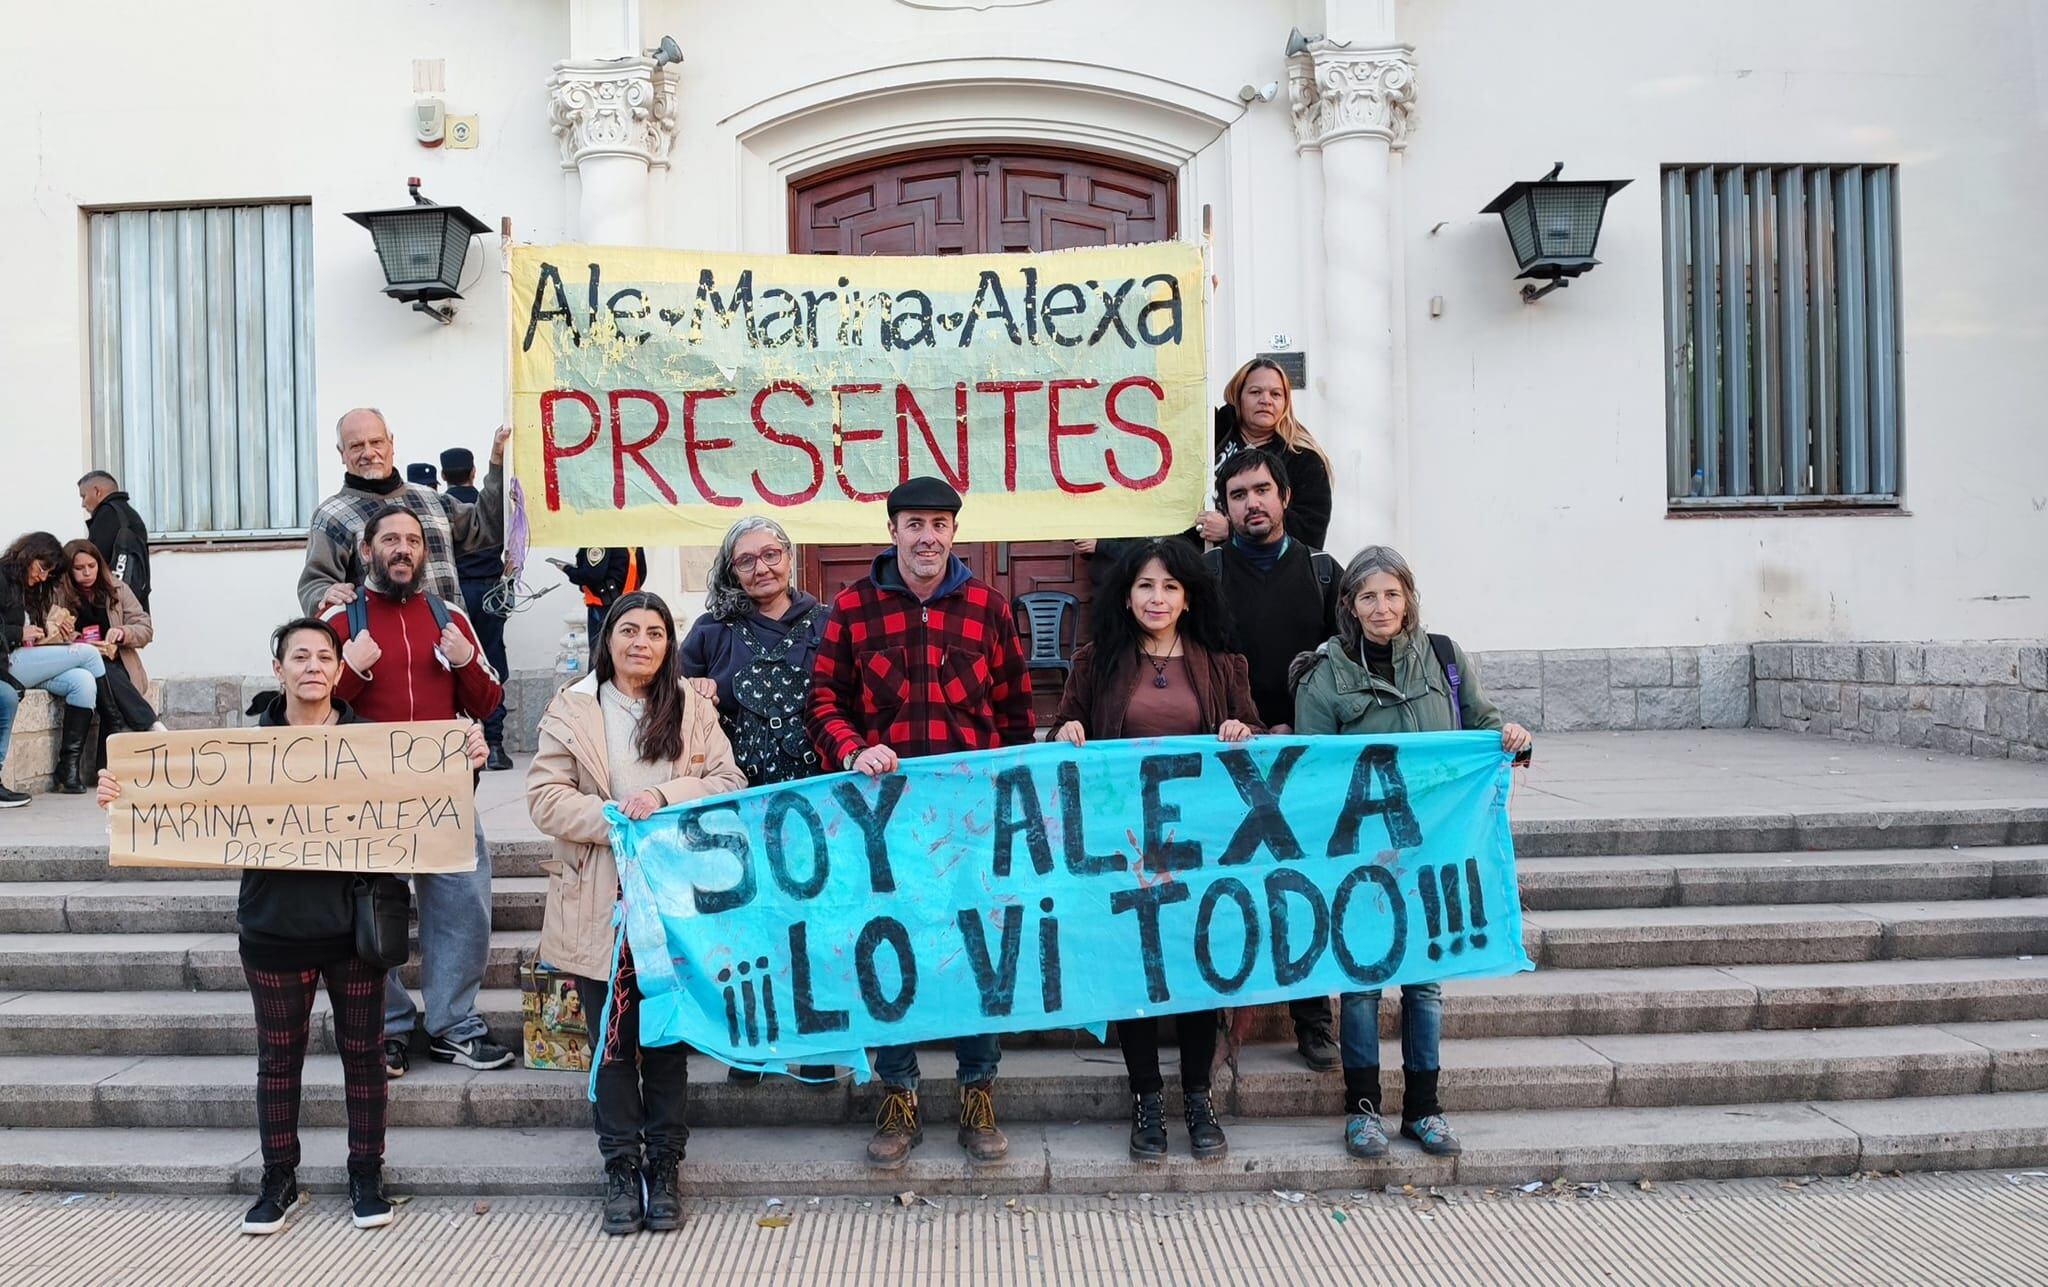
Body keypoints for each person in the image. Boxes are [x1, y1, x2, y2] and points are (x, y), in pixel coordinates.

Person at [97, 618, 485, 1232]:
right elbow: (174, 801)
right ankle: (279, 1176)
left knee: (364, 1057)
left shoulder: (378, 746)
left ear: (339, 670)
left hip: (355, 929)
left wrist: (465, 763)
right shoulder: (238, 757)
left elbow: (435, 798)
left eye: (324, 656)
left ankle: (366, 1172)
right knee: (278, 1060)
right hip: (274, 928)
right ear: (277, 669)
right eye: (298, 656)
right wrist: (126, 793)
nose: (312, 666)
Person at [806, 476, 1035, 1170]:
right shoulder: (852, 608)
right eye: (915, 524)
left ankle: (977, 1094)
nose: (927, 537)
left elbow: (1017, 714)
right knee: (889, 952)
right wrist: (852, 747)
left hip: (970, 822)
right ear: (894, 530)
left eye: (940, 524)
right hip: (883, 823)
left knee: (976, 951)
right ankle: (897, 1095)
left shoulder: (990, 610)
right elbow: (822, 698)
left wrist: (1014, 801)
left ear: (955, 534)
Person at [1291, 545, 1533, 1161]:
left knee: (1424, 985)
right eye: (1367, 596)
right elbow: (1313, 772)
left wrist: (1509, 736)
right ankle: (1364, 1110)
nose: (1381, 608)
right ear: (1348, 605)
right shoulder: (1326, 675)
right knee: (1364, 984)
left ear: (1409, 598)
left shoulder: (1444, 658)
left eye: (1392, 595)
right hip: (1361, 858)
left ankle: (1424, 1109)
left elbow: (1482, 722)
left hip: (1433, 851)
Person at [527, 591, 746, 1236]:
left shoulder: (692, 708)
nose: (641, 642)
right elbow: (545, 798)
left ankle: (666, 1163)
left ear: (667, 644)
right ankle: (621, 1165)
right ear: (609, 639)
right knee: (614, 1042)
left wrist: (663, 797)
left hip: (674, 900)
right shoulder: (572, 709)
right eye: (629, 630)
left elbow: (729, 782)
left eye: (654, 632)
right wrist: (617, 820)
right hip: (600, 897)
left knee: (668, 1041)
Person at [1050, 538, 1262, 1164]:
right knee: (1135, 969)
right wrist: (1065, 731)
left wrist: (1240, 730)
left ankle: (1197, 1097)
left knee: (1195, 967)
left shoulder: (1223, 663)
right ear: (1126, 593)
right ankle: (1146, 1097)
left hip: (1201, 847)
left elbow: (1254, 738)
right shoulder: (1096, 660)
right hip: (1124, 847)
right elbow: (1063, 731)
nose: (1157, 598)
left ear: (1188, 596)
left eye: (1170, 586)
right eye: (1145, 585)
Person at [320, 504, 513, 1078]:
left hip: (443, 792)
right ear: (366, 552)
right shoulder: (338, 620)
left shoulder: (447, 613)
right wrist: (350, 671)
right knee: (374, 912)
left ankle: (454, 1025)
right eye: (390, 540)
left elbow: (486, 703)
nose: (403, 549)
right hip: (367, 796)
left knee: (461, 906)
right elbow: (313, 713)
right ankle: (389, 1028)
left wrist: (465, 664)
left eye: (413, 541)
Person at [679, 515, 834, 1085]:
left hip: (814, 801)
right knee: (747, 925)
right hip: (737, 805)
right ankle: (753, 1045)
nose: (761, 568)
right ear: (730, 569)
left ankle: (817, 1042)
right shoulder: (709, 633)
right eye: (746, 560)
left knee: (810, 920)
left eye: (771, 555)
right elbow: (673, 714)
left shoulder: (826, 623)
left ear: (789, 557)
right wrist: (699, 697)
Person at [1203, 450, 1344, 1072]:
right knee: (1221, 887)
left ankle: (1312, 1018)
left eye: (1261, 490)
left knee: (1303, 886)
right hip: (1226, 755)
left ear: (1284, 497)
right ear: (1225, 507)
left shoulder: (1322, 572)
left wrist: (1300, 725)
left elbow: (1348, 661)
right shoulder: (1203, 575)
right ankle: (1211, 1015)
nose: (1251, 503)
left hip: (1304, 758)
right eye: (1237, 495)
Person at [298, 408, 508, 616]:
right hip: (381, 645)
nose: (369, 453)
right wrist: (325, 594)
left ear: (392, 444)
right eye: (356, 446)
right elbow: (314, 585)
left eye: (376, 442)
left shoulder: (432, 499)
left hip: (450, 642)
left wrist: (499, 464)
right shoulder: (331, 516)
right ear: (341, 453)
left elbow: (486, 526)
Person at [2, 532, 108, 794]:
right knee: (88, 654)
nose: (42, 576)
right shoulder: (2, 578)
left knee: (82, 682)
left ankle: (68, 769)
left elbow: (33, 630)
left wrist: (54, 633)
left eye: (48, 573)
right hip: (7, 662)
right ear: (27, 554)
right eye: (41, 568)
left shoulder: (36, 588)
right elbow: (14, 631)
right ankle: (114, 723)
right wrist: (18, 633)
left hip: (27, 659)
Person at [1193, 358, 1334, 552]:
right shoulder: (1212, 431)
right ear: (1238, 396)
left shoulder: (1303, 459)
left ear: (1285, 403)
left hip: (1263, 571)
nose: (1265, 400)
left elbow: (1309, 534)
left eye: (1275, 394)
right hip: (1195, 562)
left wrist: (1232, 530)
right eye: (1255, 392)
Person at [54, 538, 162, 767]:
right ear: (68, 570)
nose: (87, 573)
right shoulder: (58, 593)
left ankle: (106, 767)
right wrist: (68, 635)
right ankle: (150, 723)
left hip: (118, 661)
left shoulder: (117, 589)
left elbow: (145, 627)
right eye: (79, 568)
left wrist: (123, 633)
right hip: (79, 662)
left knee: (111, 688)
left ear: (99, 565)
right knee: (103, 672)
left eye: (91, 567)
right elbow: (47, 629)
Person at [441, 447, 513, 771]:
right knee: (492, 663)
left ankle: (464, 739)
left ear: (443, 476)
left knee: (456, 664)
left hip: (456, 593)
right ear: (472, 471)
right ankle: (495, 745)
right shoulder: (490, 504)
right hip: (491, 591)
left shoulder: (441, 507)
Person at [78, 470, 151, 611]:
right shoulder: (129, 514)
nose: (83, 504)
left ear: (97, 491)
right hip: (136, 604)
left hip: (115, 608)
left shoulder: (107, 515)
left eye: (84, 496)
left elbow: (95, 558)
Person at [553, 547, 646, 647]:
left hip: (604, 608)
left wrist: (567, 569)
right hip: (629, 605)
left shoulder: (599, 538)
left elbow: (591, 575)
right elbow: (641, 573)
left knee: (599, 654)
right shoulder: (631, 539)